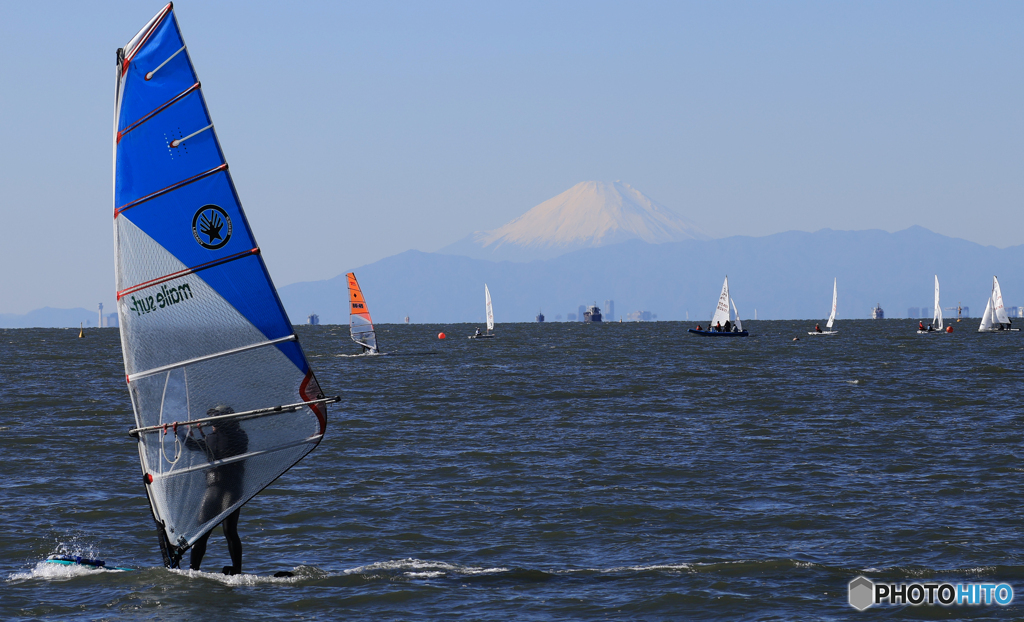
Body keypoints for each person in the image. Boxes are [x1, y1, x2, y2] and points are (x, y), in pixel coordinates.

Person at [181, 407, 248, 575]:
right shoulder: (230, 437)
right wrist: (183, 433)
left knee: (219, 530)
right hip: (223, 487)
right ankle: (198, 570)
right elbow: (198, 446)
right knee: (215, 530)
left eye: (214, 421)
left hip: (224, 487)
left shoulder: (231, 437)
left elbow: (205, 445)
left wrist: (185, 433)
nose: (211, 425)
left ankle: (196, 569)